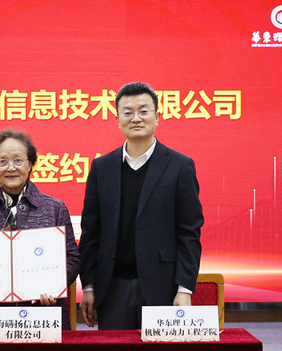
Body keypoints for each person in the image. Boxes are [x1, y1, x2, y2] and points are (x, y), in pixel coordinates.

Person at [79, 82, 203, 330]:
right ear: (118, 120)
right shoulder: (101, 167)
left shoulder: (180, 166)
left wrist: (184, 289)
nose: (136, 118)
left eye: (143, 111)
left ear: (157, 117)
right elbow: (91, 232)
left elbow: (189, 232)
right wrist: (89, 286)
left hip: (163, 287)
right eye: (128, 112)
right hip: (112, 287)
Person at [0, 129, 80, 331]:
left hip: (43, 316)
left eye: (18, 160)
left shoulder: (55, 208)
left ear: (30, 164)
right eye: (2, 161)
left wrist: (54, 285)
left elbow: (72, 258)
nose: (11, 168)